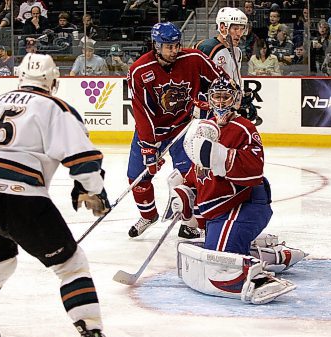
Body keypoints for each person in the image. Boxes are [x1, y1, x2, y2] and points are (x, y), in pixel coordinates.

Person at [0, 53, 127, 337]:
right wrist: (93, 190)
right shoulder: (56, 107)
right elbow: (83, 160)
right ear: (53, 81)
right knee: (71, 266)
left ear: (20, 77)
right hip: (19, 197)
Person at [172, 76, 305, 304]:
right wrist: (184, 188)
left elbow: (254, 170)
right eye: (216, 97)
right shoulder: (205, 129)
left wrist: (218, 155)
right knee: (216, 253)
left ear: (235, 100)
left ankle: (259, 281)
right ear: (209, 100)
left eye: (226, 97)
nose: (221, 103)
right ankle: (277, 255)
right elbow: (199, 173)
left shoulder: (245, 127)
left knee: (220, 263)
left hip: (244, 205)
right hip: (219, 210)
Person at [126, 22, 224, 239]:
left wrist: (208, 101)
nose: (174, 51)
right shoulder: (139, 71)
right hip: (154, 130)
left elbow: (221, 82)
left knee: (192, 177)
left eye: (176, 45)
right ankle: (148, 215)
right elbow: (142, 112)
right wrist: (149, 148)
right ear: (156, 46)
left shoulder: (194, 58)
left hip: (184, 127)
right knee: (137, 178)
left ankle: (192, 223)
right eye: (168, 47)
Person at [194, 7, 247, 84]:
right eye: (235, 29)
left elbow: (236, 79)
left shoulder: (237, 51)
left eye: (242, 29)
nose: (239, 34)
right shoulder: (207, 48)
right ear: (222, 27)